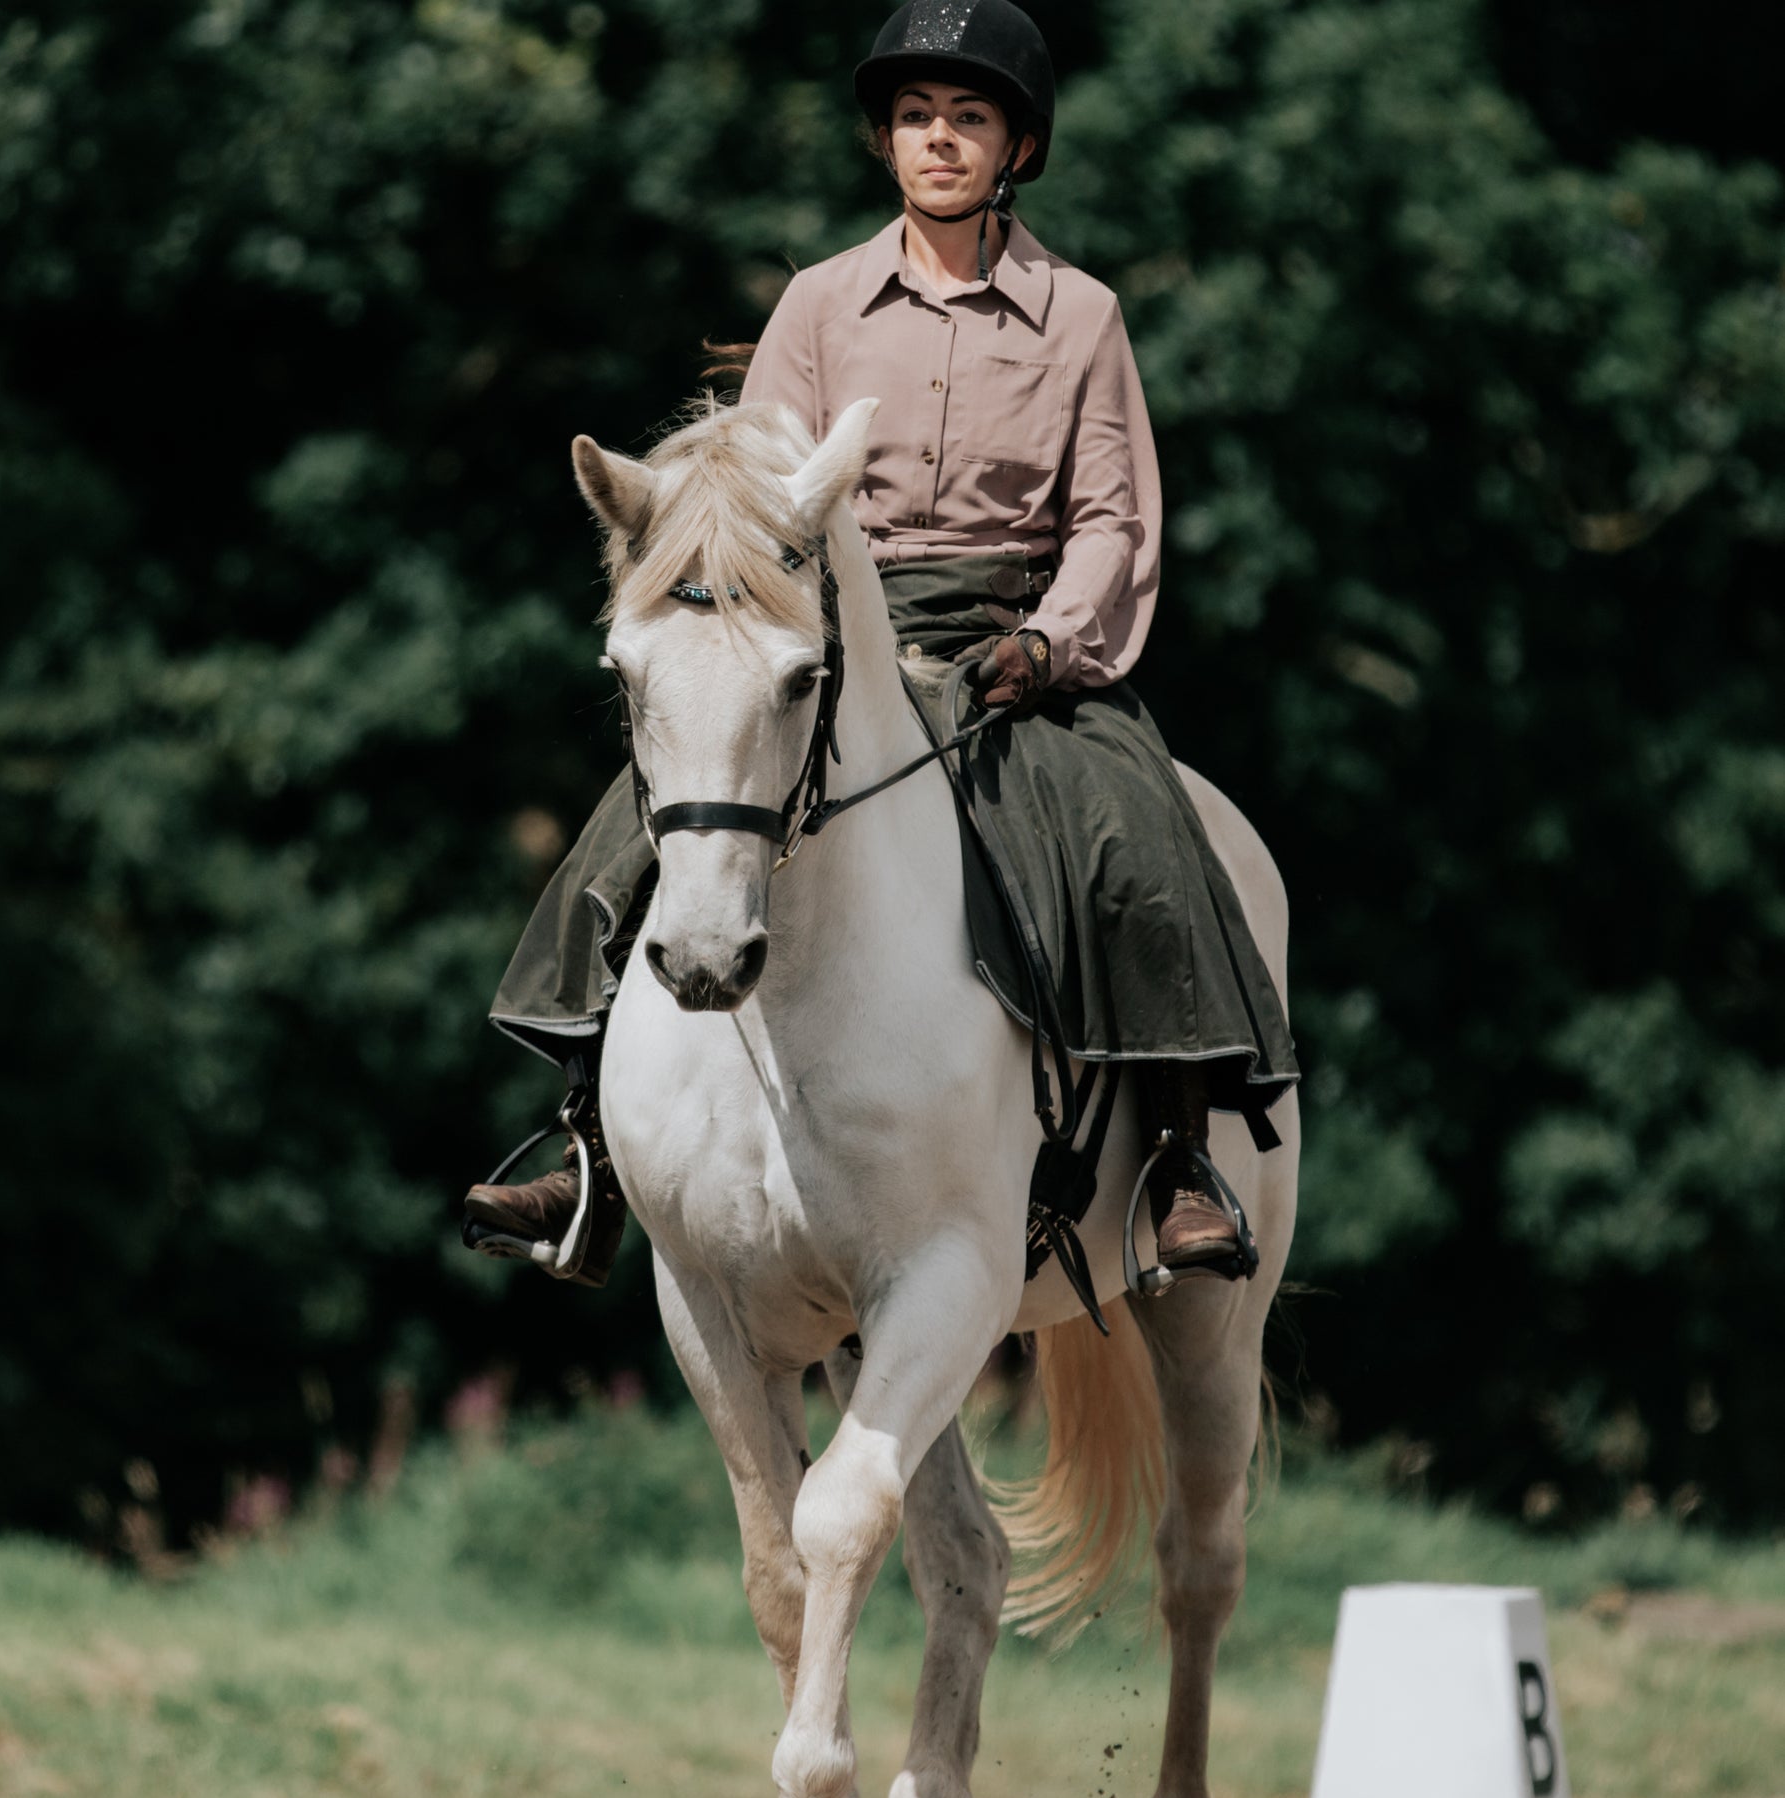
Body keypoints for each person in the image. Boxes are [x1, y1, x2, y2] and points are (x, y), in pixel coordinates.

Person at [464, 0, 1297, 1287]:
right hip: (831, 629)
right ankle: (591, 1145)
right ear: (884, 141)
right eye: (915, 118)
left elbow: (1113, 515)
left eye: (968, 118)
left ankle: (1179, 1160)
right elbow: (751, 503)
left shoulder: (1079, 314)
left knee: (1138, 834)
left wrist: (1050, 641)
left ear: (1016, 145)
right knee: (650, 819)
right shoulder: (816, 302)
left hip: (1015, 640)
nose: (939, 140)